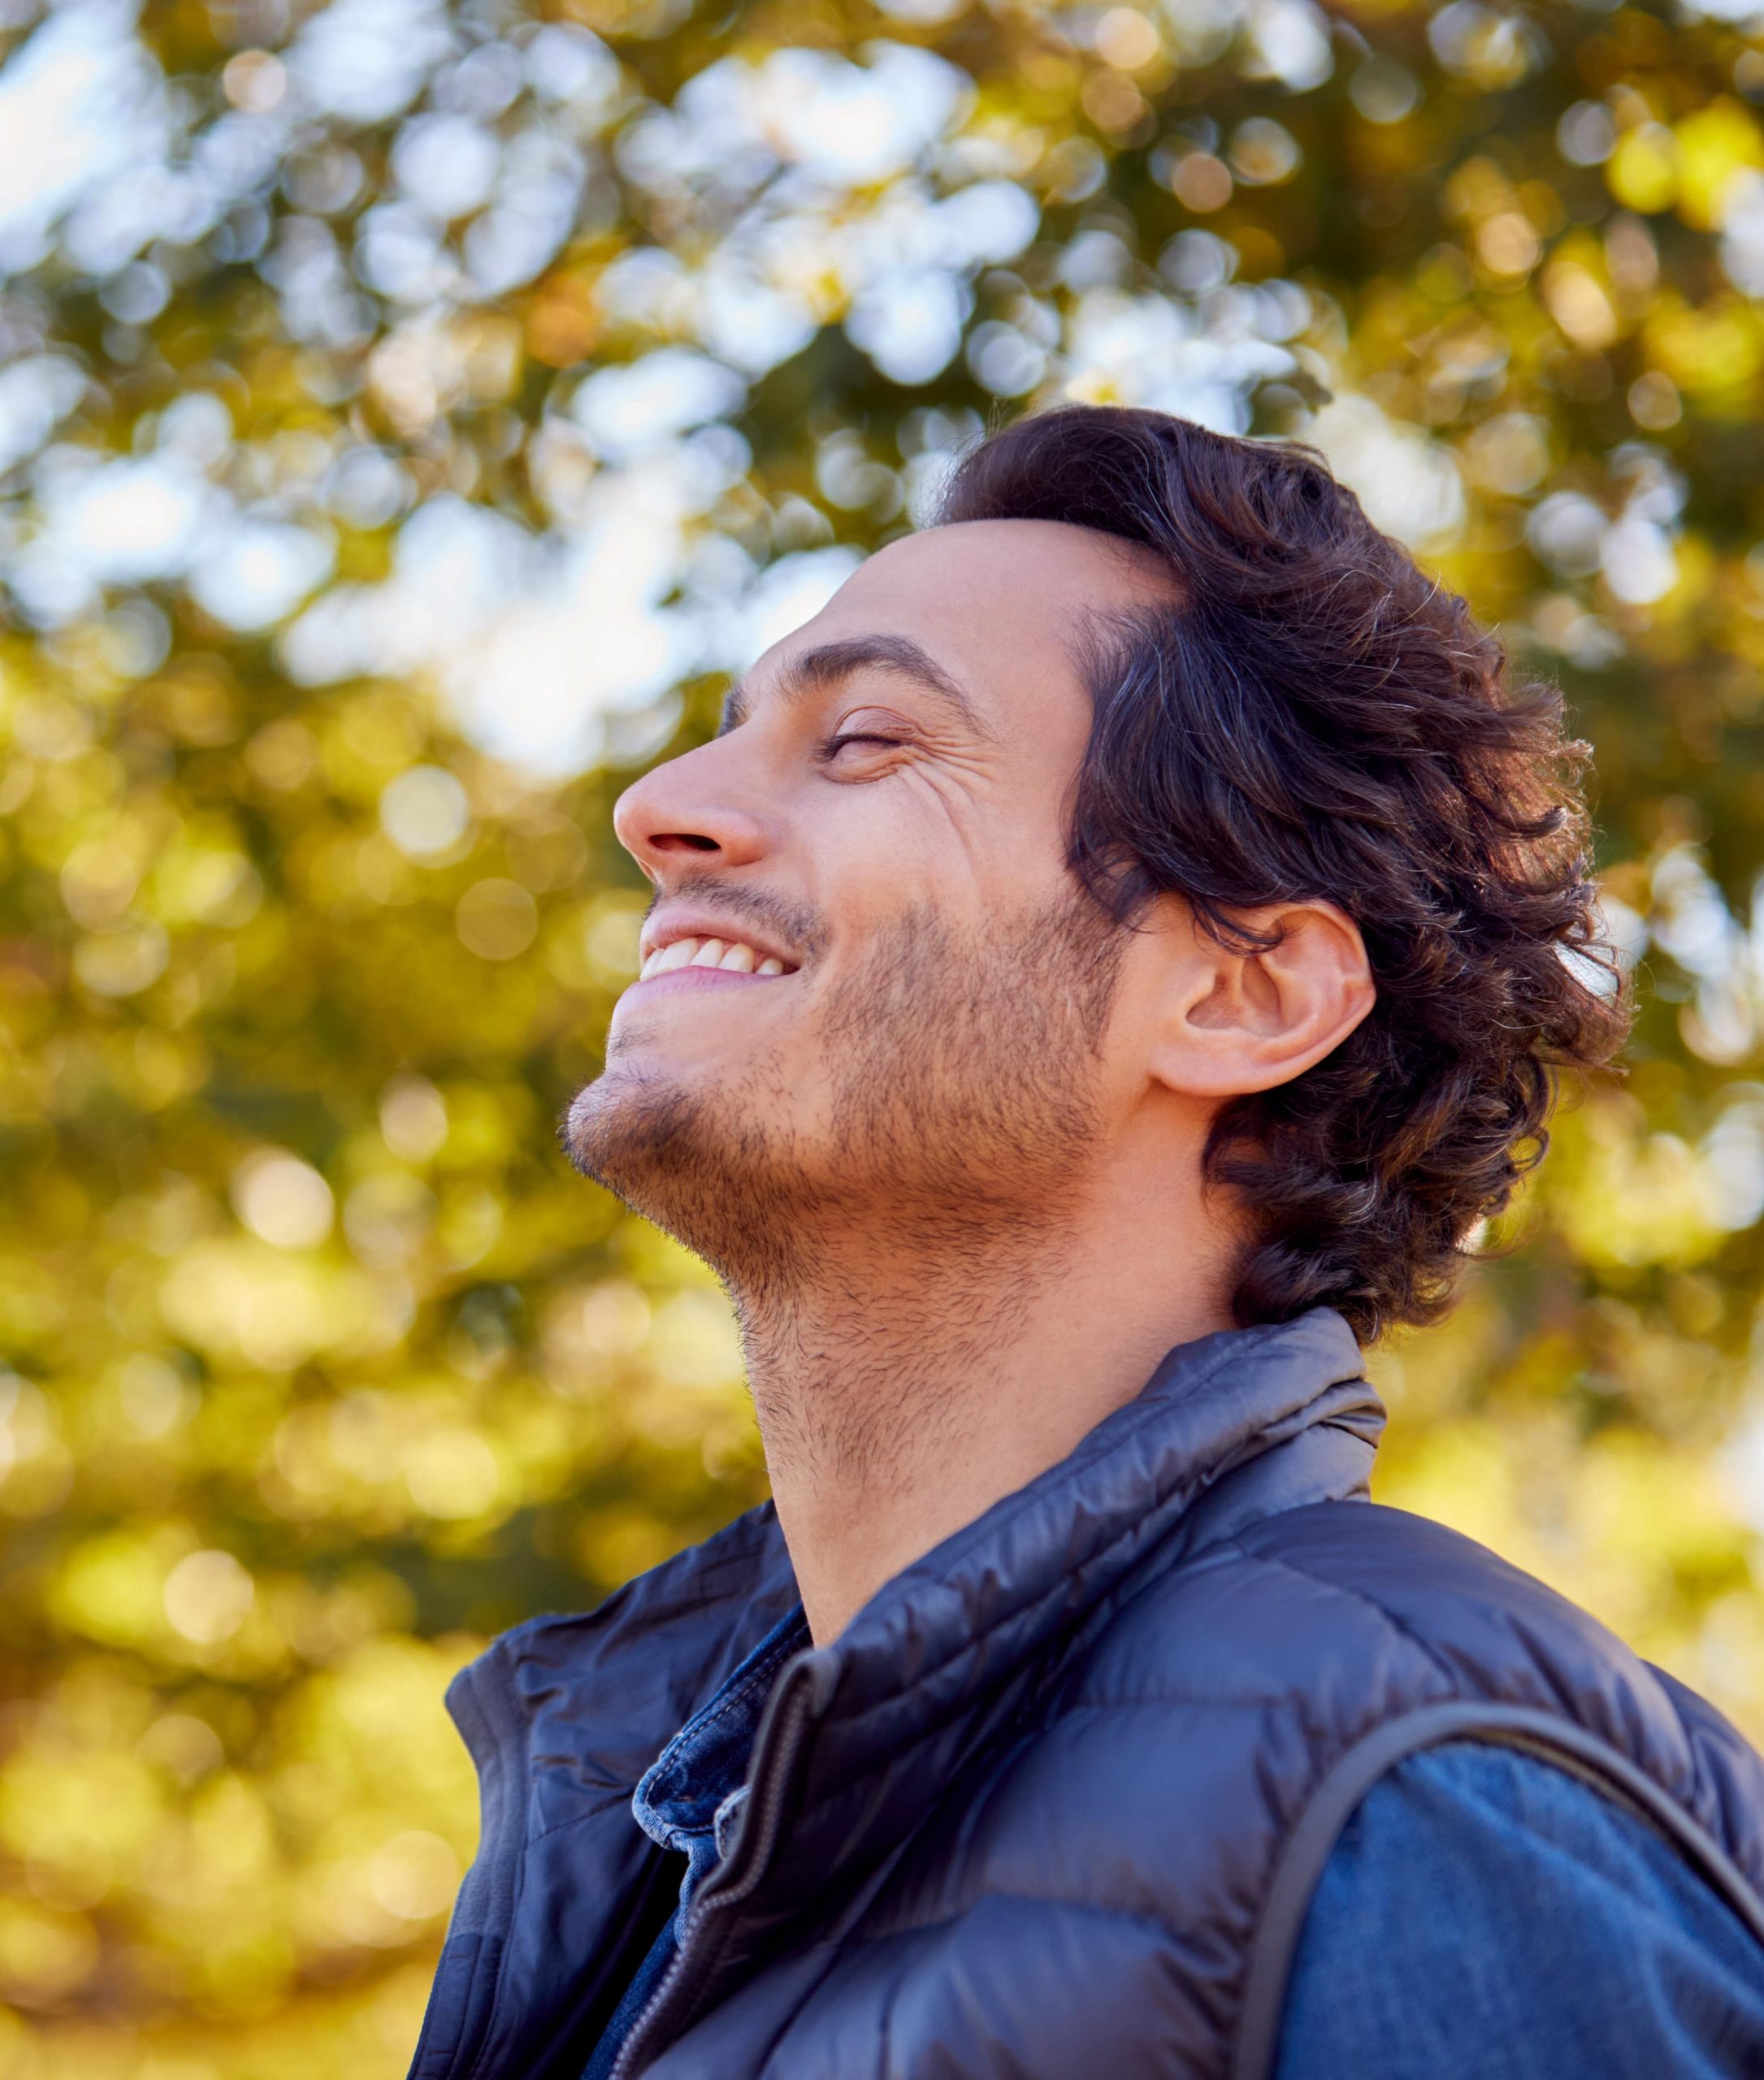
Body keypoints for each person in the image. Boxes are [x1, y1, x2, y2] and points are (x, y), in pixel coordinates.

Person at [408, 407, 1764, 2080]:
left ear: (1238, 989)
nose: (658, 807)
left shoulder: (1419, 1804)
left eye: (869, 739)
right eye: (733, 728)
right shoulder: (643, 1842)